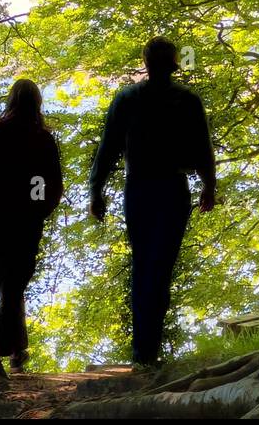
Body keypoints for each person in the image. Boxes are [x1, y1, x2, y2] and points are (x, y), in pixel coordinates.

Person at [89, 38, 216, 368]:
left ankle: (142, 352)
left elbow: (108, 148)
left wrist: (96, 190)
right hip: (173, 189)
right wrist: (208, 186)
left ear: (145, 62)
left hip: (139, 190)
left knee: (144, 264)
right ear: (174, 63)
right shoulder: (187, 101)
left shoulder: (127, 98)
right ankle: (149, 351)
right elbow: (203, 149)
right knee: (160, 269)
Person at [0, 78, 64, 381]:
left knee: (7, 282)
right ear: (37, 103)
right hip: (28, 218)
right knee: (14, 283)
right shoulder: (43, 138)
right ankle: (1, 355)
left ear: (11, 100)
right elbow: (53, 184)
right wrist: (40, 211)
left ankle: (10, 354)